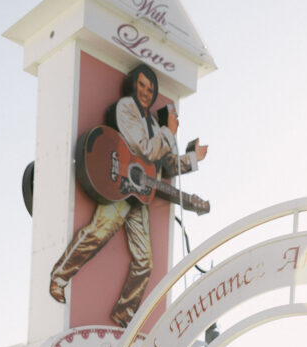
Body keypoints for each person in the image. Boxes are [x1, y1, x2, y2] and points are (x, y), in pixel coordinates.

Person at [49, 63, 208, 327]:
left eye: (150, 88)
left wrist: (194, 158)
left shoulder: (156, 128)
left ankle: (124, 314)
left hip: (140, 194)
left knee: (145, 260)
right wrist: (169, 131)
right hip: (119, 185)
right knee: (97, 233)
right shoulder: (126, 109)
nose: (146, 92)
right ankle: (59, 277)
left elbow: (167, 164)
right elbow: (143, 149)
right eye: (142, 86)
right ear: (134, 86)